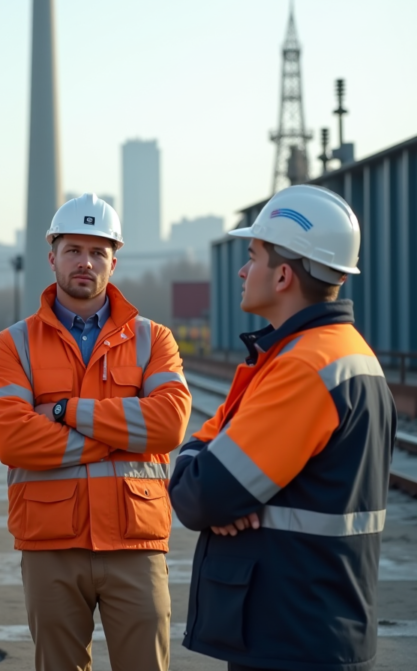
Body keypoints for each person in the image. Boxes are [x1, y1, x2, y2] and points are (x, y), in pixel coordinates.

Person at [169, 184, 397, 671]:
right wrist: (226, 490)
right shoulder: (348, 352)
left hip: (288, 634)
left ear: (284, 276)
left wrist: (194, 460)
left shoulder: (303, 368)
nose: (243, 270)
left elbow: (200, 495)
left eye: (253, 256)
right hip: (322, 623)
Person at [0, 193, 192, 671]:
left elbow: (168, 424)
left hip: (134, 542)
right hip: (51, 544)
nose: (86, 262)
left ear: (114, 262)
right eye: (74, 249)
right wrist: (121, 432)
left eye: (98, 252)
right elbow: (13, 440)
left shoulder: (152, 339)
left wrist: (63, 410)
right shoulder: (13, 344)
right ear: (51, 254)